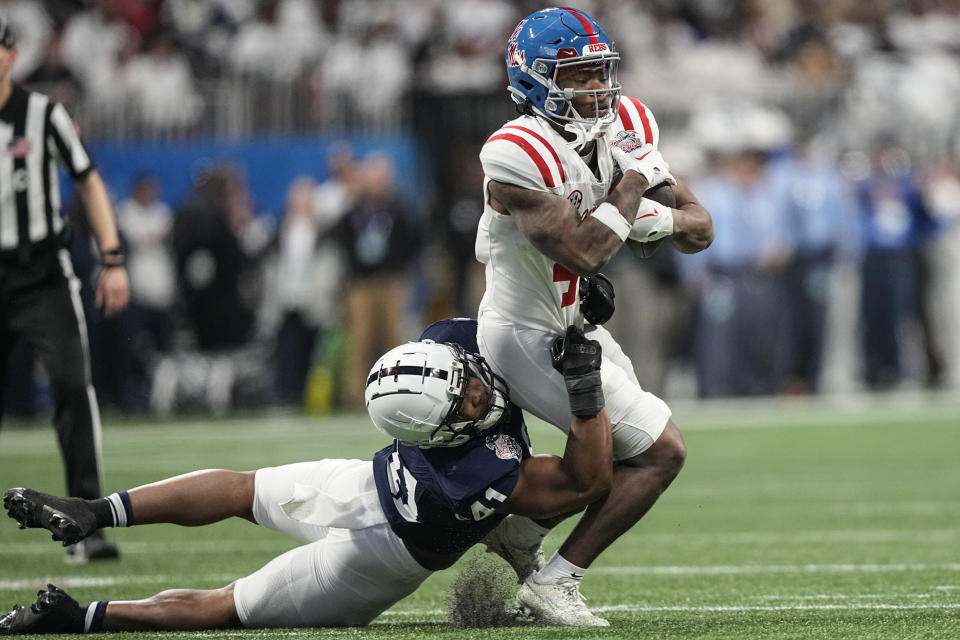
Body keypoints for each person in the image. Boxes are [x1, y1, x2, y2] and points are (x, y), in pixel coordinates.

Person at [0, 317, 613, 633]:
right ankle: (78, 618)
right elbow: (585, 479)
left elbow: (501, 319)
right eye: (472, 402)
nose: (482, 388)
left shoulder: (446, 345)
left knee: (245, 488)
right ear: (442, 432)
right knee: (229, 607)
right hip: (374, 559)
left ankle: (95, 510)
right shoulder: (475, 470)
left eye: (469, 378)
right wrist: (584, 389)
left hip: (360, 483)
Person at [475, 7, 715, 625]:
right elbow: (583, 251)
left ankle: (520, 532)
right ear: (533, 81)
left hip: (577, 328)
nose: (595, 89)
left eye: (598, 72)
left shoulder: (629, 120)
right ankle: (555, 581)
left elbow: (700, 228)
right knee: (660, 452)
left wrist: (634, 213)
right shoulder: (515, 153)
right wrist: (634, 186)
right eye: (577, 76)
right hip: (524, 332)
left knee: (619, 460)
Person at [0, 16, 129, 563]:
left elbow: (89, 178)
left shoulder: (43, 112)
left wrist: (113, 258)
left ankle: (84, 521)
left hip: (42, 276)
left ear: (9, 54)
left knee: (73, 388)